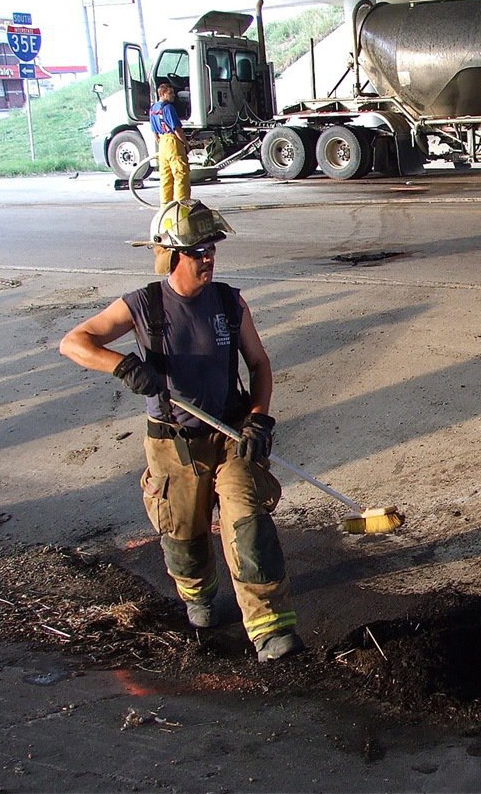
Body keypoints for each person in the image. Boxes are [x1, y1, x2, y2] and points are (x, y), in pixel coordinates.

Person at [60, 200, 304, 663]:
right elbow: (74, 342)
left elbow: (259, 364)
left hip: (231, 434)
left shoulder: (230, 302)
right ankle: (199, 593)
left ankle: (271, 628)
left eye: (211, 249)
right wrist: (124, 367)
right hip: (174, 444)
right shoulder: (144, 305)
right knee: (184, 538)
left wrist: (259, 418)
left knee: (248, 523)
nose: (208, 258)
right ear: (171, 255)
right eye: (197, 251)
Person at [149, 82, 191, 207]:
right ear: (162, 94)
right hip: (172, 141)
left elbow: (154, 132)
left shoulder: (153, 109)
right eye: (170, 93)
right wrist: (185, 144)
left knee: (165, 176)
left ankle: (165, 206)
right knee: (180, 174)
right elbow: (177, 129)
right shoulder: (168, 108)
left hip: (162, 143)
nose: (173, 95)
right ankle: (181, 205)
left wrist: (160, 140)